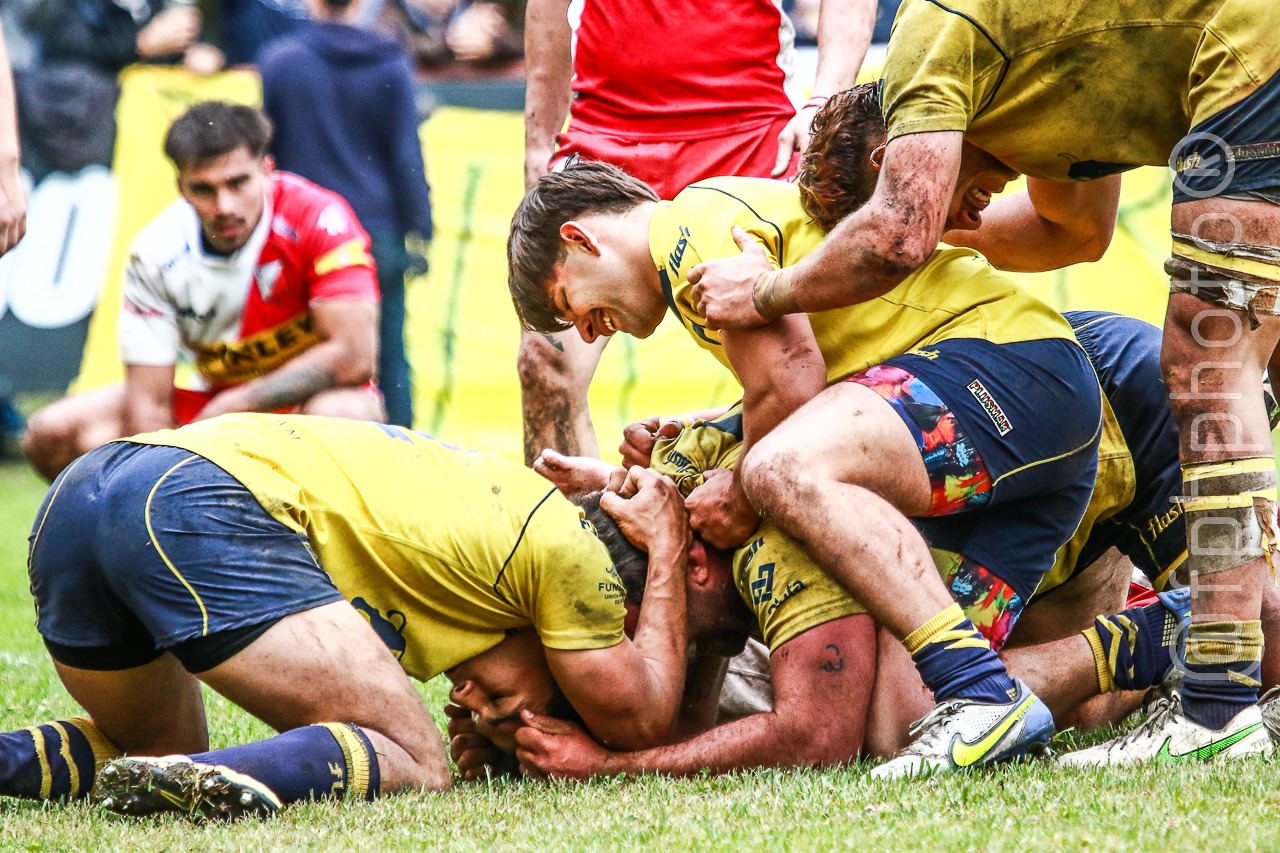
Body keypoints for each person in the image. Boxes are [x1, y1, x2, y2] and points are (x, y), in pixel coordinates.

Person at [687, 0, 1280, 765]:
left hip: (1252, 58)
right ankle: (1206, 670)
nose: (962, 220)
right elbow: (1073, 231)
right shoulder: (1034, 89)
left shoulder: (930, 35)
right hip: (1239, 74)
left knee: (1210, 361)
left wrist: (768, 291)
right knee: (1234, 359)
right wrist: (924, 228)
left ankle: (1214, 704)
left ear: (897, 155)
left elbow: (897, 235)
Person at [505, 87, 1106, 777]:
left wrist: (741, 486)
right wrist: (670, 462)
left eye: (568, 303)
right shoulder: (715, 229)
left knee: (775, 469)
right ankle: (1151, 637)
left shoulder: (684, 226)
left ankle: (979, 689)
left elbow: (793, 381)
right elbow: (816, 392)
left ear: (579, 239)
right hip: (1040, 423)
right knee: (901, 725)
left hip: (1009, 368)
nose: (585, 332)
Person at [8, 412, 689, 819]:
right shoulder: (572, 547)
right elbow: (640, 718)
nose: (472, 706)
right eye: (510, 708)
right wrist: (668, 546)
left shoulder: (480, 537)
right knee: (418, 760)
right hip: (188, 498)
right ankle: (202, 777)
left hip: (80, 496)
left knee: (149, 751)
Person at [516, 0, 876, 465]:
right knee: (544, 361)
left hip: (747, 126)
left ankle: (780, 495)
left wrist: (824, 101)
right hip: (605, 135)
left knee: (812, 355)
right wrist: (538, 143)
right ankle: (577, 516)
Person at [21, 102, 385, 481]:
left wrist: (238, 403)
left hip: (303, 400)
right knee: (53, 432)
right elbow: (149, 405)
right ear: (181, 188)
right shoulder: (155, 252)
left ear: (266, 170)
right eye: (203, 189)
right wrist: (165, 481)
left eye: (237, 182)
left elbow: (355, 356)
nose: (224, 206)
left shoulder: (319, 217)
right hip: (211, 403)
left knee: (341, 416)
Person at [259, 0, 434, 429]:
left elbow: (268, 157)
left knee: (300, 357)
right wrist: (420, 229)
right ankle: (401, 453)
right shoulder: (389, 62)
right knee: (389, 356)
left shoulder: (280, 63)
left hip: (301, 236)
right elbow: (406, 155)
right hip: (378, 231)